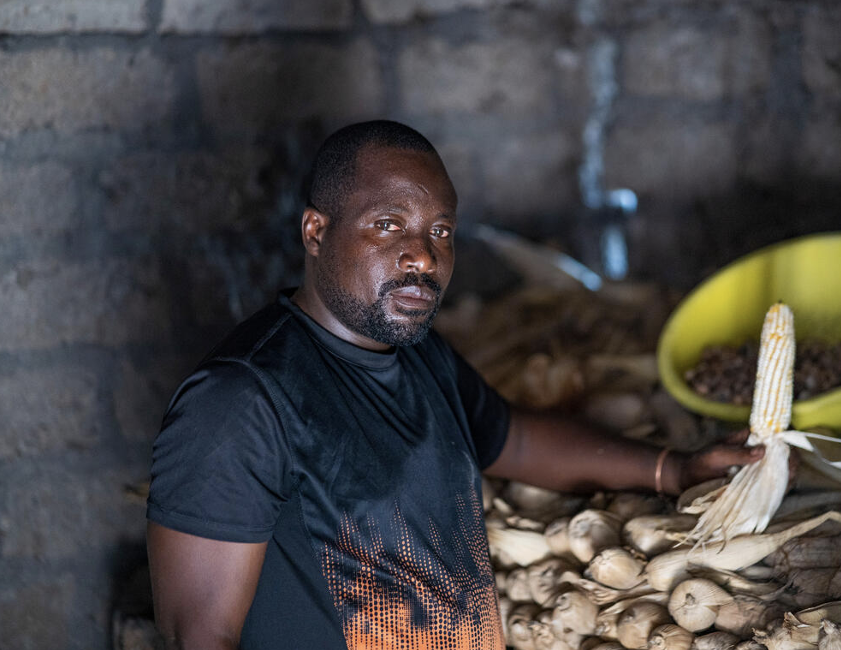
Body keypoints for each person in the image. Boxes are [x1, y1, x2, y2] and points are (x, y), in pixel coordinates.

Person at [146, 120, 763, 650]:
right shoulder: (241, 401)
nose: (424, 256)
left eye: (441, 230)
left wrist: (671, 469)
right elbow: (197, 637)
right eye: (389, 225)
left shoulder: (419, 356)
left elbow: (512, 438)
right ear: (316, 232)